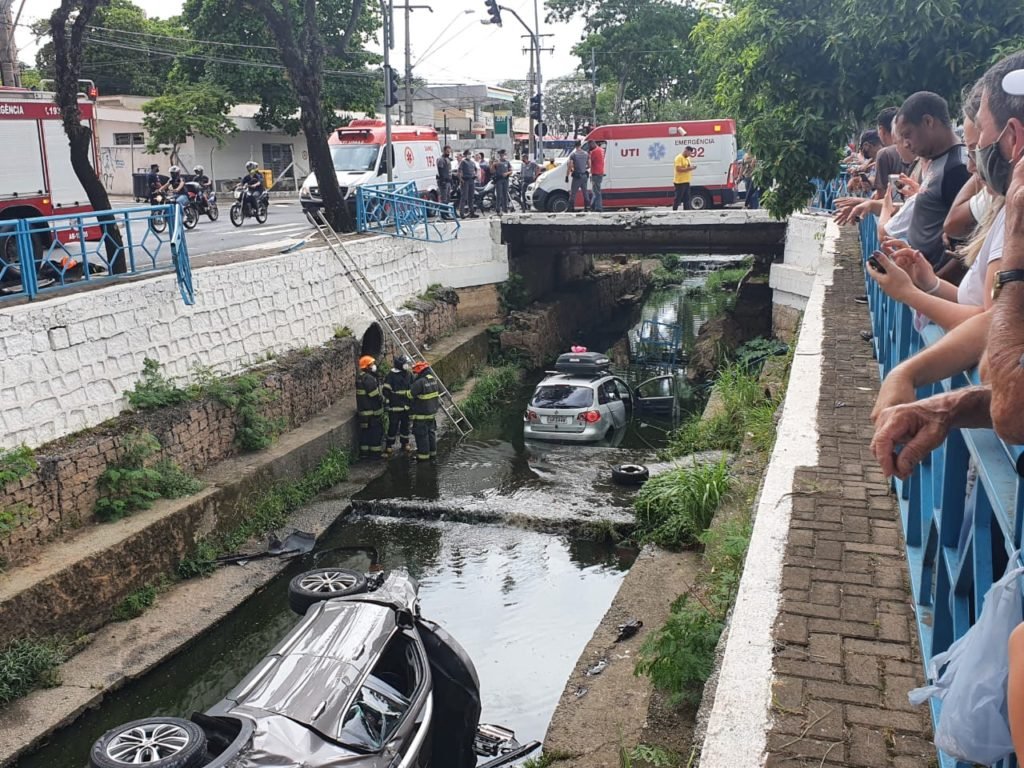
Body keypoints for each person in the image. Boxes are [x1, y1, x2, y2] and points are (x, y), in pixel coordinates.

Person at [890, 91, 971, 271]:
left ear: (928, 122)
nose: (905, 144)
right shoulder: (938, 161)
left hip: (933, 282)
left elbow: (967, 246)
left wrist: (933, 286)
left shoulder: (957, 168)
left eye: (907, 134)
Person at [383, 355, 414, 455]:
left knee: (405, 426)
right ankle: (389, 445)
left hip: (406, 407)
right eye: (406, 364)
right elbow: (386, 390)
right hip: (395, 406)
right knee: (393, 426)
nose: (407, 366)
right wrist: (387, 402)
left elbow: (413, 388)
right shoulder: (391, 375)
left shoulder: (409, 374)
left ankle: (405, 443)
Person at [410, 360, 440, 462]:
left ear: (419, 371)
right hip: (431, 415)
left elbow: (410, 395)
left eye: (416, 372)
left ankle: (423, 459)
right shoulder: (433, 380)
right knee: (431, 434)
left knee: (422, 437)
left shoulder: (420, 382)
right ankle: (433, 455)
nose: (415, 374)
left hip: (421, 416)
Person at [355, 355, 384, 459]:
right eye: (371, 364)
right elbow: (374, 395)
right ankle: (375, 455)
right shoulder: (369, 378)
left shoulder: (360, 377)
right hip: (372, 413)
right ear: (367, 366)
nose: (374, 366)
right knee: (375, 433)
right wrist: (382, 399)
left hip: (363, 412)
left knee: (365, 434)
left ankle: (364, 454)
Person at [565, 140, 590, 212]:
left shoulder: (573, 155)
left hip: (577, 176)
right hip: (584, 175)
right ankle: (587, 208)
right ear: (580, 145)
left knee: (573, 193)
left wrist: (567, 176)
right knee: (585, 192)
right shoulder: (586, 154)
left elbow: (570, 166)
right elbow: (589, 165)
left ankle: (571, 208)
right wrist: (583, 168)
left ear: (575, 145)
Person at [672, 146, 696, 210]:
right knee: (678, 198)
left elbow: (688, 167)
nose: (690, 155)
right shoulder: (679, 158)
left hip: (686, 181)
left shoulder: (687, 158)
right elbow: (678, 169)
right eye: (689, 153)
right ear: (686, 151)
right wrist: (689, 168)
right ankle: (674, 211)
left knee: (687, 198)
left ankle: (686, 212)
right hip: (679, 182)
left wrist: (691, 167)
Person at [458, 149, 478, 218]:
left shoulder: (472, 162)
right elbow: (459, 171)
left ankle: (471, 212)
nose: (469, 155)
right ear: (465, 155)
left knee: (471, 197)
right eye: (468, 154)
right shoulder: (463, 162)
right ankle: (462, 213)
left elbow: (476, 169)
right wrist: (461, 179)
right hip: (465, 180)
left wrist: (476, 175)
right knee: (464, 197)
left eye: (470, 154)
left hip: (472, 180)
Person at [492, 149, 512, 214]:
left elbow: (511, 171)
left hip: (505, 179)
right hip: (498, 180)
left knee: (505, 194)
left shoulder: (507, 162)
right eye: (502, 154)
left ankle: (505, 208)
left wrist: (507, 173)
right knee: (499, 195)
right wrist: (493, 165)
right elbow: (492, 171)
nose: (503, 155)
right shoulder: (497, 162)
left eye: (504, 154)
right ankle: (498, 209)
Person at [589, 140, 606, 212]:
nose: (590, 147)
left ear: (592, 144)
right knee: (595, 191)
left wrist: (589, 154)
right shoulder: (602, 150)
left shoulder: (594, 152)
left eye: (590, 145)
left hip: (595, 173)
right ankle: (592, 206)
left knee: (597, 192)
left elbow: (590, 161)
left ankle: (598, 207)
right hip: (600, 172)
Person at [437, 145, 453, 214]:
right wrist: (443, 180)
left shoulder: (447, 159)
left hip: (448, 181)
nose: (448, 152)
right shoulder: (441, 159)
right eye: (447, 151)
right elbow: (440, 171)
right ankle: (443, 213)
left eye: (449, 151)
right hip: (443, 181)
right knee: (444, 198)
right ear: (444, 151)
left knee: (448, 198)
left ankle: (446, 212)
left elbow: (449, 171)